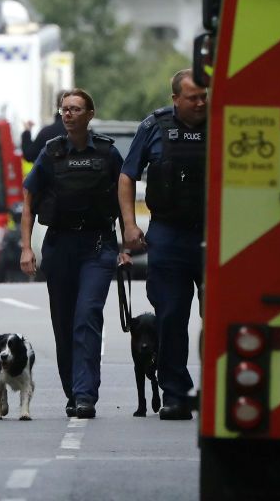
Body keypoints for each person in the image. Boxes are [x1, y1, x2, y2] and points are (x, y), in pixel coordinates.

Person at [19, 88, 130, 419]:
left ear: (89, 114)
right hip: (60, 245)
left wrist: (127, 241)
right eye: (64, 109)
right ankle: (73, 391)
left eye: (75, 109)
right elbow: (29, 198)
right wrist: (26, 247)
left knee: (87, 317)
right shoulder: (51, 152)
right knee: (64, 323)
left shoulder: (107, 153)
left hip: (97, 246)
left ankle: (85, 394)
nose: (68, 114)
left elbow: (124, 194)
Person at [118, 69, 208, 421]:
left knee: (220, 317)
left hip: (216, 235)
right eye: (192, 98)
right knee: (170, 317)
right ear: (175, 99)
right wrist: (129, 225)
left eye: (204, 96)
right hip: (170, 235)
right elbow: (127, 175)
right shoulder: (154, 126)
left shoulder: (225, 121)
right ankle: (175, 394)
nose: (200, 103)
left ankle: (219, 390)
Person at [22, 91, 67, 164]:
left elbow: (29, 155)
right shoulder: (83, 133)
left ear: (57, 106)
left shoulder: (47, 133)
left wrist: (27, 132)